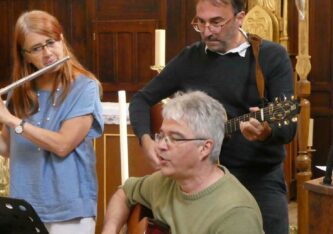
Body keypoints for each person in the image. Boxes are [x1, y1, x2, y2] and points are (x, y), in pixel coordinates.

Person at [128, 0, 296, 233]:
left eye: (216, 22)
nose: (207, 31)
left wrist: (267, 132)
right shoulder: (190, 58)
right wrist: (146, 141)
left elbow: (288, 127)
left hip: (258, 178)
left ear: (240, 18)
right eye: (201, 23)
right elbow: (141, 100)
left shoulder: (271, 57)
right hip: (200, 180)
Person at [0, 10, 104, 234]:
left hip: (70, 207)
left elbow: (63, 145)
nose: (48, 53)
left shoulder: (84, 87)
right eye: (37, 48)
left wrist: (11, 119)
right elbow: (7, 148)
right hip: (26, 205)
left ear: (61, 40)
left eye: (51, 42)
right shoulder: (20, 92)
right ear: (25, 56)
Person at [102, 91, 263, 233]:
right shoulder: (164, 182)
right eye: (161, 136)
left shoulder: (236, 214)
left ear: (204, 148)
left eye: (174, 138)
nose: (161, 146)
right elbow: (124, 193)